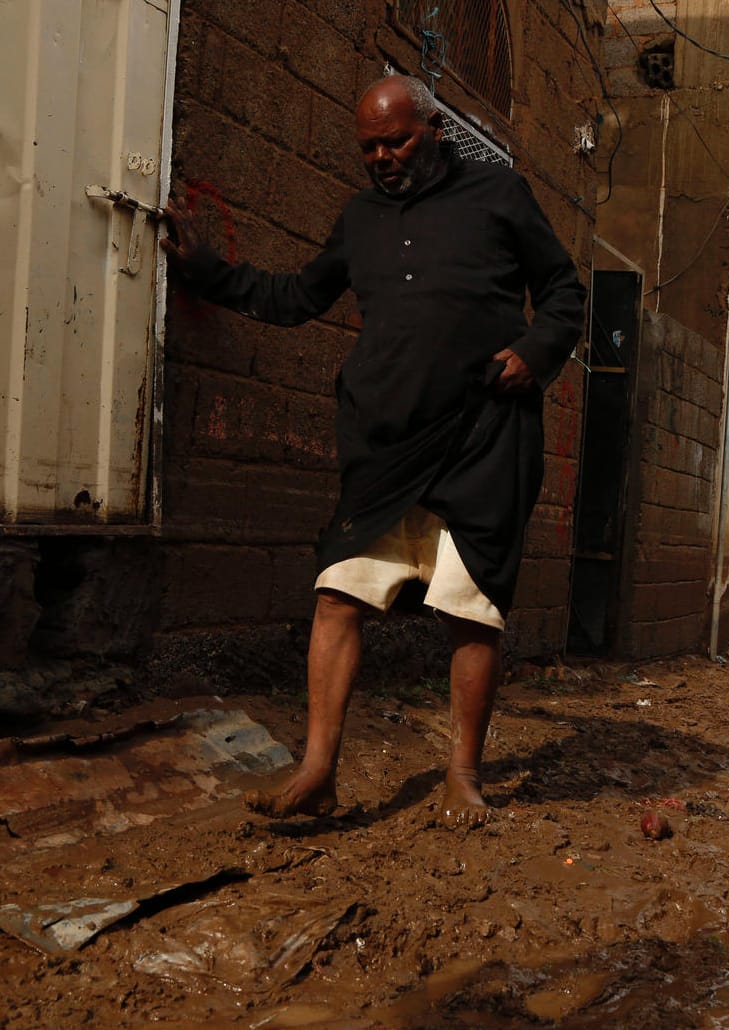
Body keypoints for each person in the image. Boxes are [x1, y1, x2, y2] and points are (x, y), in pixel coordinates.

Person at [159, 75, 585, 827]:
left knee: (471, 610)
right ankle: (318, 771)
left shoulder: (498, 194)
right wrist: (204, 270)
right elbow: (296, 297)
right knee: (336, 594)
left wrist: (535, 350)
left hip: (483, 431)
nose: (383, 157)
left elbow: (562, 291)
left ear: (434, 130)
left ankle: (462, 774)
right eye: (369, 147)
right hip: (385, 442)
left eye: (396, 140)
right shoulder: (359, 218)